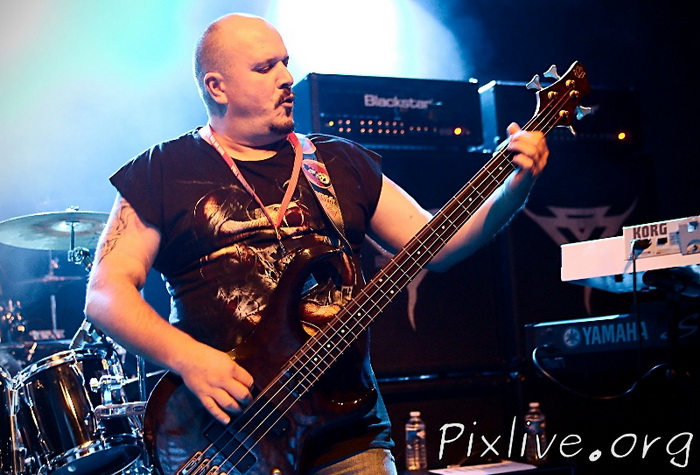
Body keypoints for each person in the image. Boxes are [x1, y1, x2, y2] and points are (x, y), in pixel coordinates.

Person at [84, 12, 548, 475]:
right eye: (265, 68)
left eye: (285, 63)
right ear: (217, 87)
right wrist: (189, 359)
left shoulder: (339, 162)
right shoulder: (162, 171)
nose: (287, 78)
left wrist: (514, 190)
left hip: (346, 431)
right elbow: (106, 295)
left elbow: (438, 247)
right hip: (227, 437)